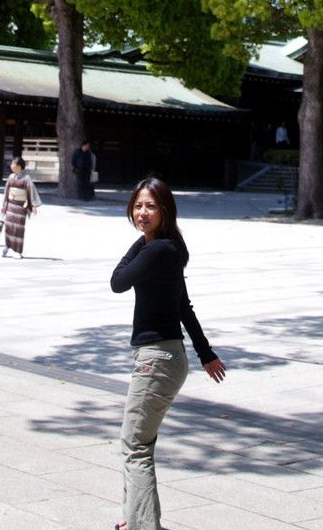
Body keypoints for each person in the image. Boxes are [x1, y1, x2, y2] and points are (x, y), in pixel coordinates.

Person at [111, 177, 226, 530]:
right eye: (138, 206)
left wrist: (140, 241)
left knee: (135, 447)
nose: (142, 213)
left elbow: (117, 281)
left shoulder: (158, 250)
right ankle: (136, 520)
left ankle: (143, 526)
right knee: (139, 442)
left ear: (165, 211)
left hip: (156, 359)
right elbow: (183, 306)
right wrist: (206, 354)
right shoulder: (167, 250)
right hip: (167, 356)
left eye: (150, 206)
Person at [0, 156, 41, 258]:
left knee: (18, 229)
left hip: (20, 207)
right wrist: (4, 205)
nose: (11, 166)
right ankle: (7, 245)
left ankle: (18, 250)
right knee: (8, 227)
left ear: (19, 166)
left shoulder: (26, 179)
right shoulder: (10, 177)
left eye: (13, 164)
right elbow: (6, 192)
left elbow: (31, 192)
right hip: (10, 205)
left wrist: (34, 205)